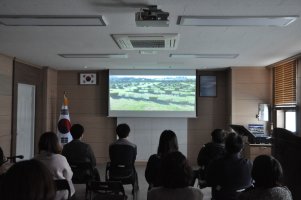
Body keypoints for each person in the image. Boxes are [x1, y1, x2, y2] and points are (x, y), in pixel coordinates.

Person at [206, 132, 252, 200]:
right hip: (242, 196)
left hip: (221, 197)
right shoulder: (249, 164)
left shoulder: (216, 163)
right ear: (242, 148)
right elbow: (251, 181)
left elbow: (209, 182)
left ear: (225, 146)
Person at [35, 132, 75, 200]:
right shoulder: (61, 159)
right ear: (56, 144)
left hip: (40, 194)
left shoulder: (34, 160)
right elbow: (68, 176)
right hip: (60, 195)